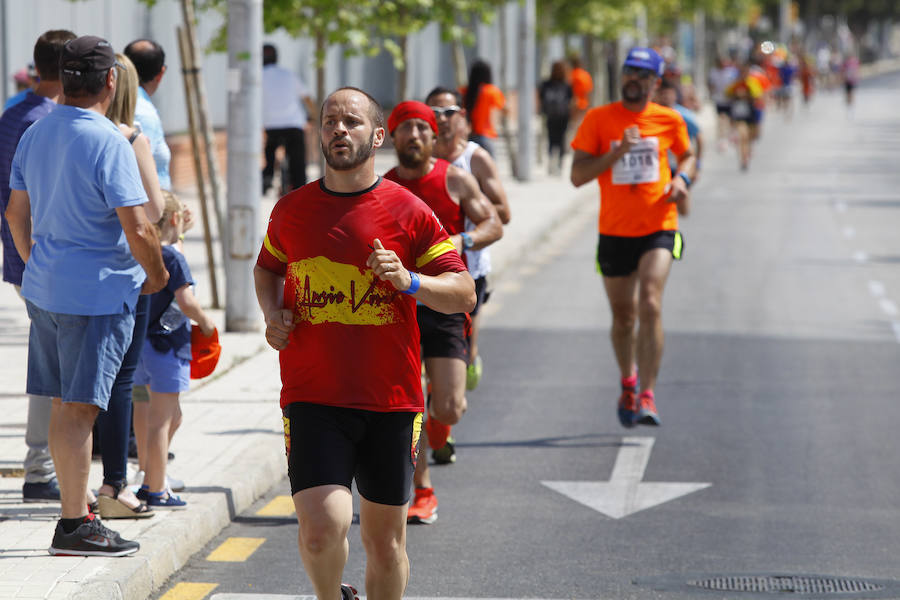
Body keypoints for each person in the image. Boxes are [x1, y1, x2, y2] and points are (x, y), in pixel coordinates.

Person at [254, 86, 475, 600]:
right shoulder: (291, 210)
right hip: (313, 396)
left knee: (386, 544)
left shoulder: (409, 211)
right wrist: (272, 316)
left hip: (390, 401)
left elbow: (462, 293)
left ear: (378, 136)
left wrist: (411, 282)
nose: (338, 129)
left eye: (351, 121)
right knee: (319, 530)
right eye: (330, 120)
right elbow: (267, 269)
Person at [6, 35, 169, 556]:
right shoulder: (108, 140)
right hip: (95, 296)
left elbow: (14, 213)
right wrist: (159, 275)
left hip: (47, 290)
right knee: (79, 410)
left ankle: (74, 515)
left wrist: (37, 263)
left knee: (62, 406)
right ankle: (75, 524)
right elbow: (139, 226)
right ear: (111, 80)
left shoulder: (35, 130)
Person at [383, 100, 502, 523]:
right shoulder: (384, 187)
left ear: (434, 137)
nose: (413, 135)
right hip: (399, 308)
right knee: (410, 402)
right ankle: (423, 490)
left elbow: (494, 224)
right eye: (404, 128)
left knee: (449, 407)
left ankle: (439, 426)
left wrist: (462, 241)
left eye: (421, 128)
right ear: (391, 137)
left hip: (447, 302)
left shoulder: (454, 178)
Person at [570, 47, 694, 429]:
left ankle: (648, 393)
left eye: (642, 74)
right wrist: (617, 152)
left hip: (659, 223)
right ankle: (628, 382)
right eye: (628, 71)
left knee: (651, 302)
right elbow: (577, 176)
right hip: (614, 231)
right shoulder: (599, 119)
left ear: (656, 82)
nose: (632, 78)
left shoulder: (668, 120)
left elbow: (688, 155)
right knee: (624, 317)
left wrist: (682, 179)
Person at [0, 29, 75, 505]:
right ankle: (41, 467)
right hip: (44, 263)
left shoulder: (13, 114)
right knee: (54, 369)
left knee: (50, 365)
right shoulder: (53, 123)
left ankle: (43, 465)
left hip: (24, 258)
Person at [91, 52, 167, 520]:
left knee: (72, 389)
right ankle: (115, 483)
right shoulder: (131, 137)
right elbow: (153, 212)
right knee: (121, 380)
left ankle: (79, 487)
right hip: (126, 273)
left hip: (70, 276)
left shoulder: (64, 135)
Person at [425, 87, 511, 396]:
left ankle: (464, 368)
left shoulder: (475, 159)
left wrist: (467, 208)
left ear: (461, 116)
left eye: (449, 113)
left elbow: (503, 213)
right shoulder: (420, 159)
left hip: (469, 269)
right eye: (434, 113)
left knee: (463, 355)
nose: (442, 120)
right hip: (426, 272)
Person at [134, 191, 216, 509]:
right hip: (168, 348)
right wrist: (207, 323)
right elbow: (186, 301)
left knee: (160, 416)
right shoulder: (175, 258)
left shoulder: (143, 251)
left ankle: (147, 475)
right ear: (173, 220)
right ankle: (155, 488)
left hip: (140, 347)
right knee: (163, 420)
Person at [262, 43, 317, 195]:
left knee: (270, 152)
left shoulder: (256, 77)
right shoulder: (289, 74)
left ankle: (268, 178)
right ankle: (300, 189)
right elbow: (307, 98)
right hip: (294, 125)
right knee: (298, 162)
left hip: (271, 126)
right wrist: (312, 116)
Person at [124, 38, 171, 190]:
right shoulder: (143, 113)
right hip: (149, 210)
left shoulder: (116, 100)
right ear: (161, 73)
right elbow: (138, 174)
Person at [654, 77, 703, 183]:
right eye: (662, 94)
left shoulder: (684, 115)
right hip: (658, 168)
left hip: (679, 166)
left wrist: (697, 165)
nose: (666, 97)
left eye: (669, 94)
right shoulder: (651, 115)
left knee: (681, 195)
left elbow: (699, 138)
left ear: (675, 96)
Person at [462, 59, 506, 157]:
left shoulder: (463, 91)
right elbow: (502, 109)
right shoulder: (492, 91)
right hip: (486, 135)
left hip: (468, 137)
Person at [725, 62, 765, 171]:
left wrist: (747, 95)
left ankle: (747, 152)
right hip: (739, 114)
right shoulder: (735, 84)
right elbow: (727, 93)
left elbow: (758, 96)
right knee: (742, 136)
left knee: (750, 138)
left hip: (751, 114)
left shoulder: (752, 83)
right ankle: (743, 159)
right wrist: (736, 95)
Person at [539, 60, 574, 175]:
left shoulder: (546, 84)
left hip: (551, 116)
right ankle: (558, 164)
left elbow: (541, 98)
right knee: (561, 140)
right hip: (563, 115)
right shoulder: (566, 85)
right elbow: (571, 101)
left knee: (551, 139)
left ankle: (552, 163)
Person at [707, 55, 737, 148]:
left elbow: (735, 83)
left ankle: (731, 133)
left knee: (731, 118)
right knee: (721, 118)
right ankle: (722, 138)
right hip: (719, 99)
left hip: (730, 99)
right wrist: (711, 92)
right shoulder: (713, 72)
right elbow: (710, 84)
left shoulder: (731, 72)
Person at [568, 55, 593, 121]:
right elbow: (588, 91)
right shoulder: (586, 75)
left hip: (574, 104)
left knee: (574, 125)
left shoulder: (571, 75)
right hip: (584, 103)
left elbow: (568, 90)